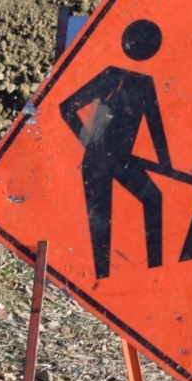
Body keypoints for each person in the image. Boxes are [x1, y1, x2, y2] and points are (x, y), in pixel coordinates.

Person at [59, 19, 171, 279]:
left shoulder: (145, 83)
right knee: (101, 219)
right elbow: (67, 107)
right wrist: (88, 140)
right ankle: (101, 279)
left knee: (154, 198)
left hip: (123, 159)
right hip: (97, 161)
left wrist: (165, 164)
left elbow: (155, 128)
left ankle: (157, 273)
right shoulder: (111, 76)